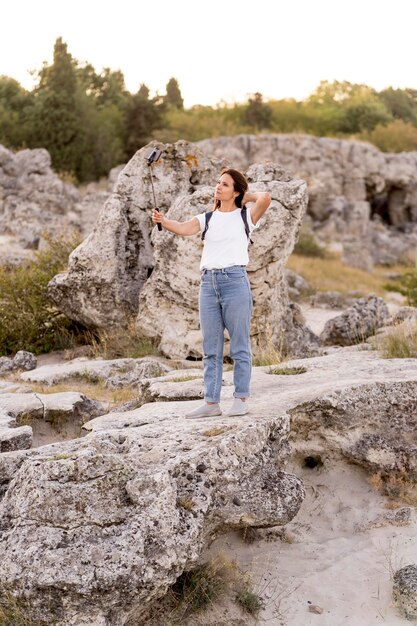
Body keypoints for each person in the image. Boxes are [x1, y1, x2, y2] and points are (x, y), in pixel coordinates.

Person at [152, 168, 271, 418]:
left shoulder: (245, 218)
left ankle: (240, 398)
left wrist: (243, 196)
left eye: (225, 184)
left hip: (235, 282)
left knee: (239, 345)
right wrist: (163, 222)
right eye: (218, 183)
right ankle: (211, 403)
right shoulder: (208, 218)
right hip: (208, 284)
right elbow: (184, 228)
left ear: (236, 190)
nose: (218, 187)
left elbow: (266, 198)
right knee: (211, 348)